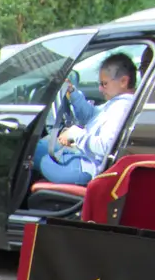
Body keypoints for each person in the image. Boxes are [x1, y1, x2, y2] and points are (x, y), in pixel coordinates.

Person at [35, 52, 138, 186]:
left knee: (39, 158)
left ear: (124, 81)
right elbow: (90, 116)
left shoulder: (121, 107)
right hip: (86, 157)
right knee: (38, 148)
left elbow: (106, 146)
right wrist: (72, 92)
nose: (100, 89)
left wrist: (74, 133)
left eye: (104, 84)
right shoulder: (116, 103)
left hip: (89, 167)